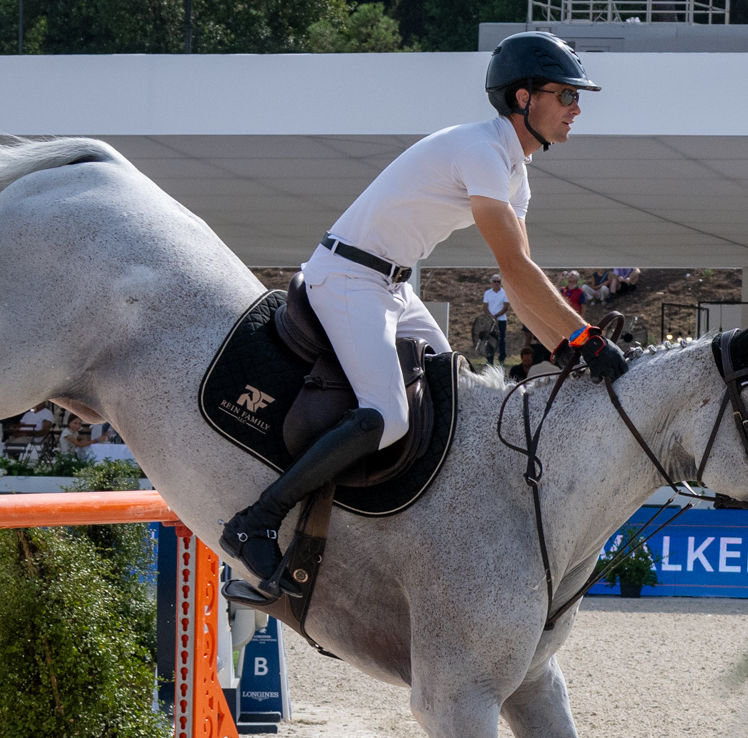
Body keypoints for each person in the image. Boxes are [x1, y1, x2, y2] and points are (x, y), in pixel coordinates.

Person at [219, 31, 623, 602]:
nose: (576, 108)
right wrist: (585, 337)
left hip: (392, 287)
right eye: (565, 95)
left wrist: (565, 349)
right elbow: (514, 267)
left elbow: (519, 278)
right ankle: (255, 521)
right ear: (523, 99)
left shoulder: (515, 172)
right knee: (389, 414)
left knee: (450, 389)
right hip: (347, 277)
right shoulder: (482, 152)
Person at [480, 274, 511, 366]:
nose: (496, 283)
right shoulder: (487, 293)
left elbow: (506, 307)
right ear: (491, 282)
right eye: (495, 281)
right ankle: (489, 359)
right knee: (489, 339)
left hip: (501, 320)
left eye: (498, 281)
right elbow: (485, 307)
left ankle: (502, 359)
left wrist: (497, 316)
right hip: (490, 320)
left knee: (501, 340)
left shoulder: (504, 293)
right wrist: (492, 317)